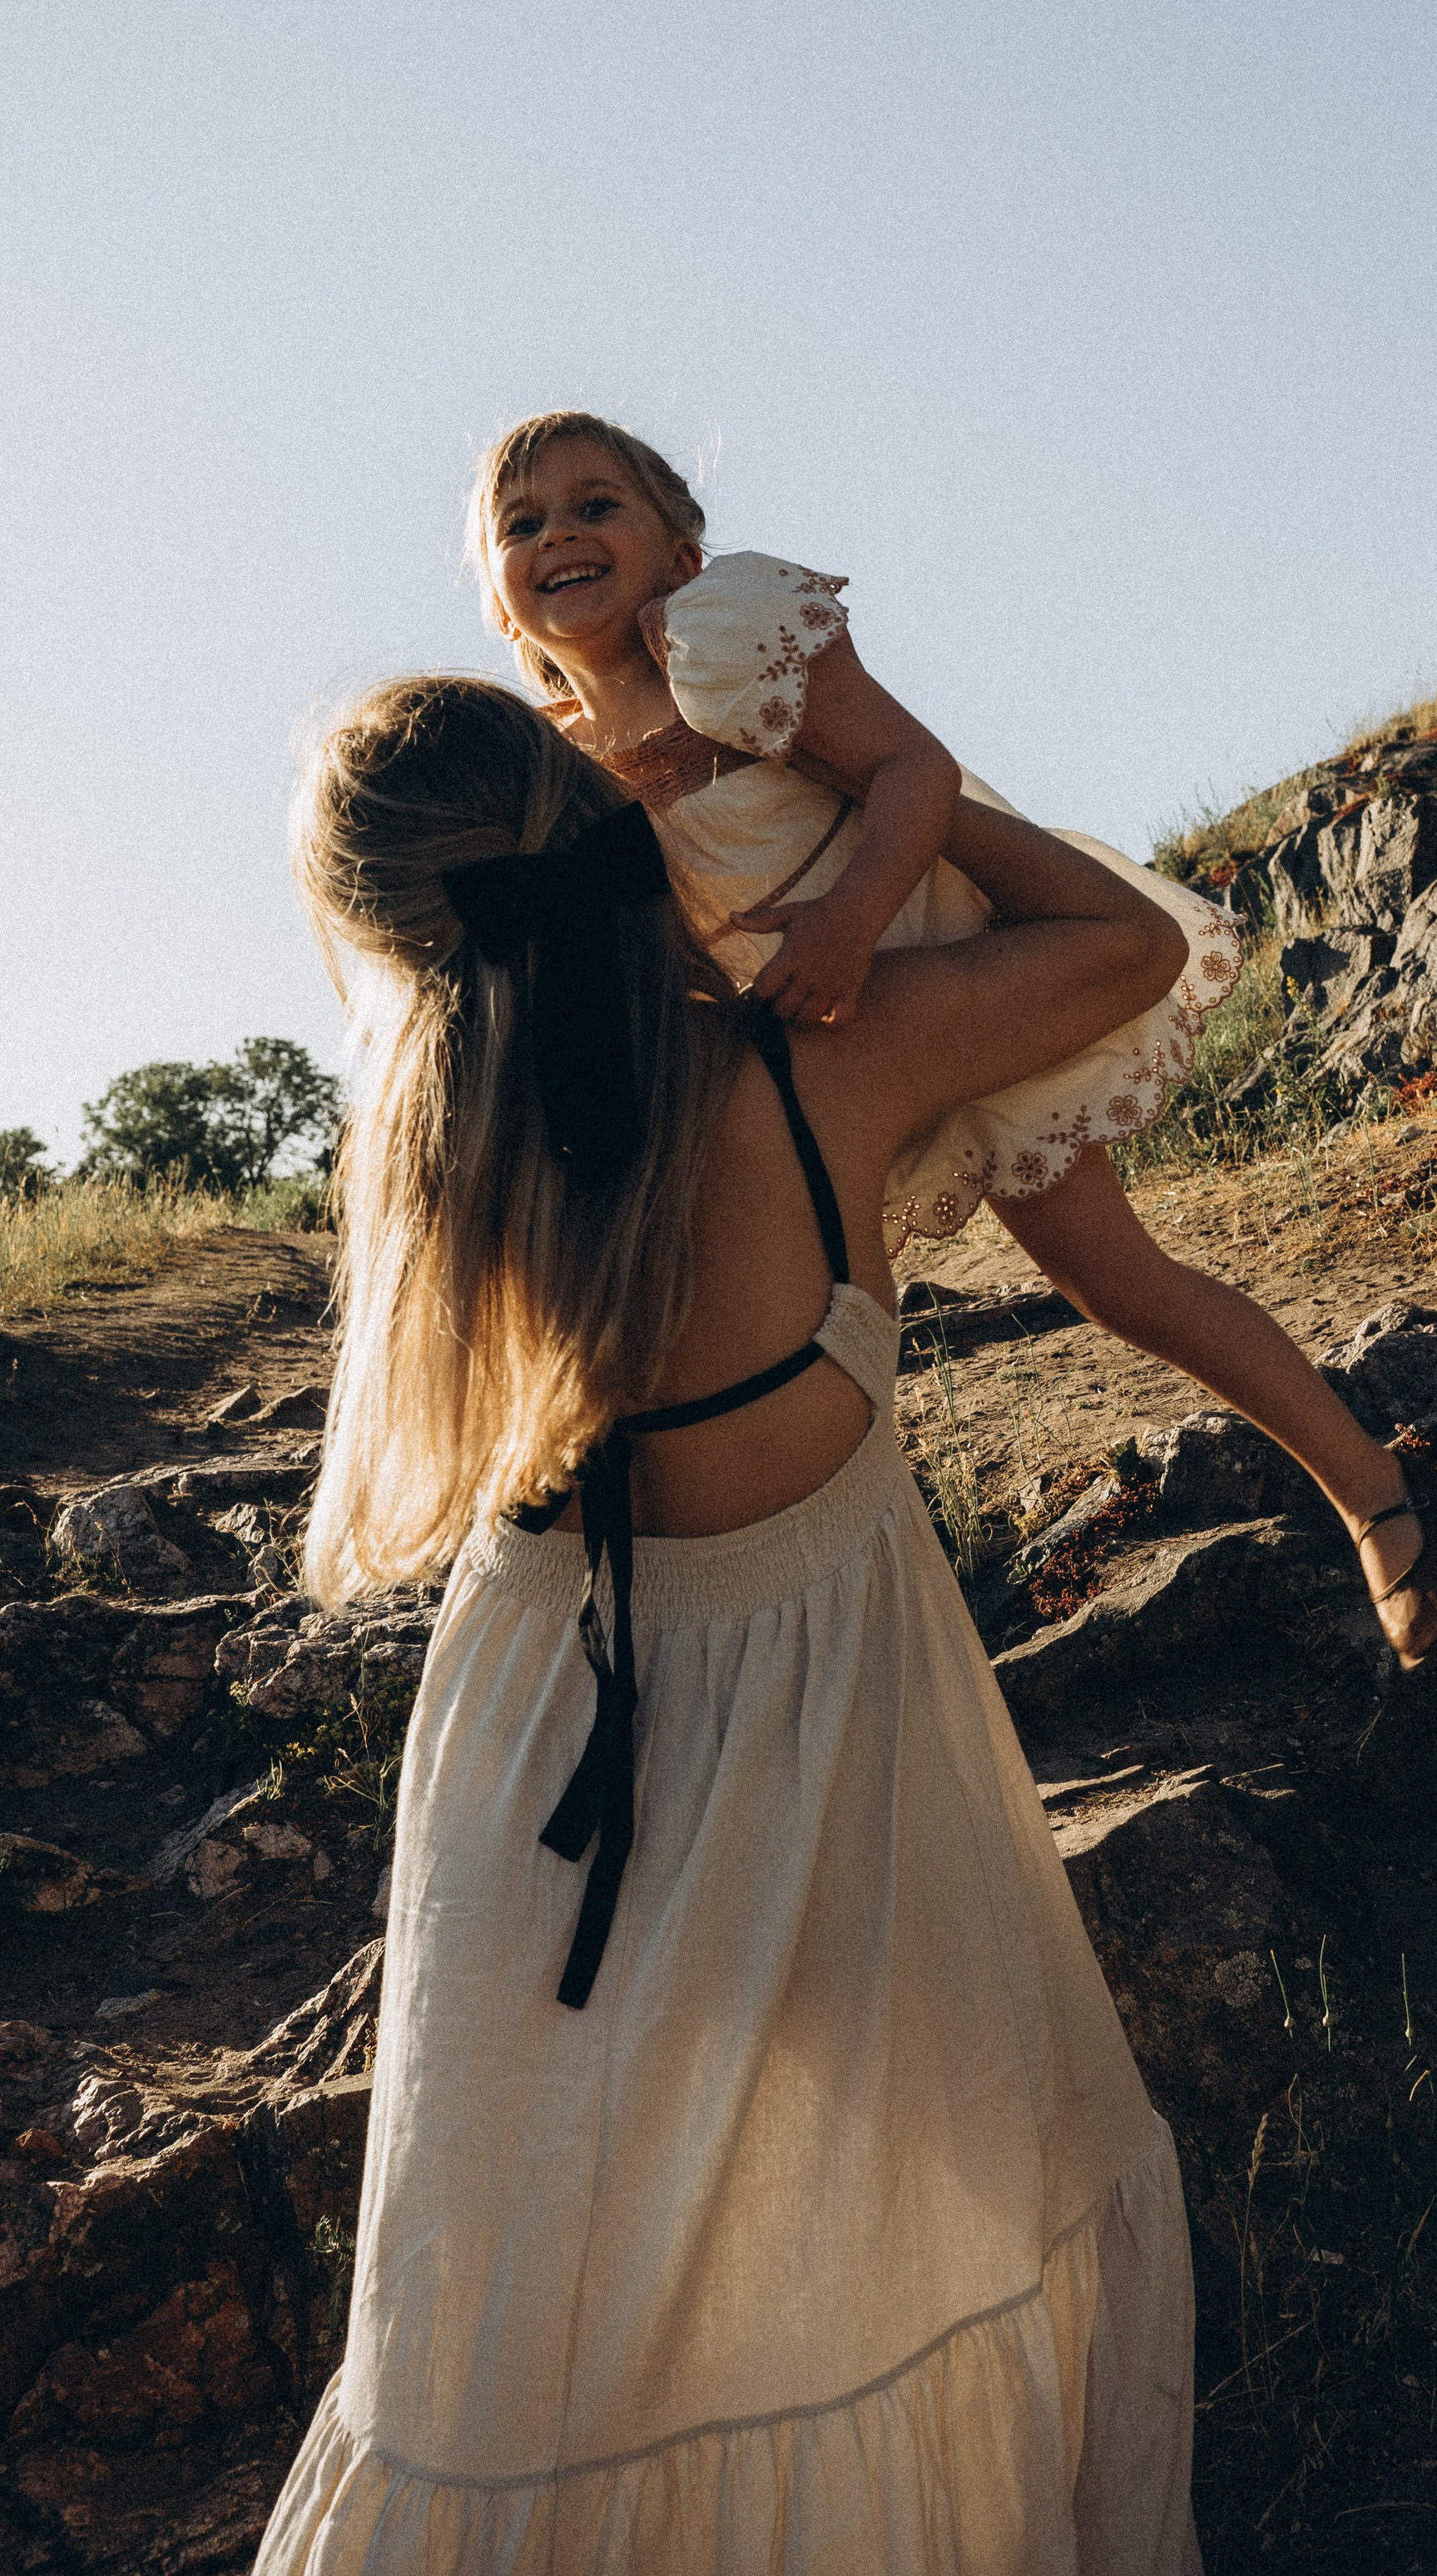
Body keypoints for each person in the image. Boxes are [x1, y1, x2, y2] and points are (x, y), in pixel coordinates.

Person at [255, 673, 1207, 2570]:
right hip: (828, 1734)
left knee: (519, 2354)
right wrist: (870, 781)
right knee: (908, 2248)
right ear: (593, 825)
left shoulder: (433, 1164)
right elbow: (1125, 942)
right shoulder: (814, 1060)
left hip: (530, 1780)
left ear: (380, 941)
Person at [468, 409, 1437, 1669]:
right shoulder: (565, 771)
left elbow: (912, 772)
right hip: (826, 1058)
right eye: (521, 525)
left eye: (596, 504)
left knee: (1122, 1281)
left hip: (946, 970)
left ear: (677, 549)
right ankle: (862, 1624)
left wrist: (848, 922)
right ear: (504, 608)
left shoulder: (720, 642)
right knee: (950, 1301)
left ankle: (1375, 1490)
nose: (558, 531)